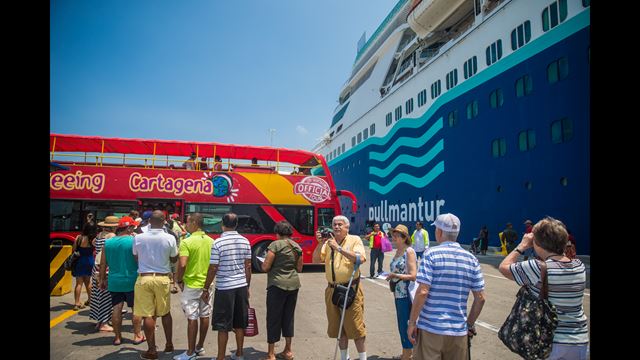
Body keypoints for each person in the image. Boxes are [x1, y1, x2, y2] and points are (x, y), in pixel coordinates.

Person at [498, 217, 589, 359]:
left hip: (549, 341)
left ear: (538, 244)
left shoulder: (537, 268)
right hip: (578, 341)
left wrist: (522, 246)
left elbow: (504, 267)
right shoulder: (579, 267)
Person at [407, 213, 486, 360]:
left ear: (439, 232)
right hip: (458, 332)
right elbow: (480, 298)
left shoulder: (431, 255)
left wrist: (412, 322)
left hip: (431, 330)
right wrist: (469, 324)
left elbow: (423, 291)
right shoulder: (471, 259)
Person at [202, 213, 252, 360]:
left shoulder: (218, 243)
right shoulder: (245, 241)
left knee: (222, 325)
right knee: (240, 322)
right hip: (241, 286)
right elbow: (248, 266)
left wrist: (205, 288)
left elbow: (213, 268)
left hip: (224, 287)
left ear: (222, 225)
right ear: (236, 225)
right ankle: (240, 353)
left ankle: (220, 357)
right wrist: (247, 286)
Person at [317, 215, 368, 360]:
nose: (337, 227)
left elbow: (360, 259)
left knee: (356, 327)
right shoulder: (328, 243)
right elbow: (316, 259)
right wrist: (319, 243)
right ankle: (344, 357)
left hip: (350, 290)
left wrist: (339, 249)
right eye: (334, 225)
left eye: (340, 224)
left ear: (347, 227)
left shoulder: (355, 240)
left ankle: (362, 358)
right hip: (332, 289)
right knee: (338, 328)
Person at [133, 211, 179, 359]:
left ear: (149, 221)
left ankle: (152, 350)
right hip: (162, 278)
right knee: (165, 312)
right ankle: (169, 344)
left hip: (144, 278)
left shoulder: (138, 237)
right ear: (164, 221)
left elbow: (136, 257)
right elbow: (174, 259)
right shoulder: (170, 238)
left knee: (148, 314)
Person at [173, 213, 215, 360]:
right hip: (207, 285)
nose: (185, 225)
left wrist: (178, 280)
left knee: (192, 317)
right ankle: (199, 346)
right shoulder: (211, 241)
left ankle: (190, 352)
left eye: (188, 222)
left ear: (195, 223)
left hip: (191, 284)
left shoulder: (187, 242)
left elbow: (183, 264)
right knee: (204, 315)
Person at [98, 216, 145, 346]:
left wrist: (102, 279)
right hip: (132, 280)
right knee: (136, 309)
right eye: (132, 227)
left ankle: (117, 337)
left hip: (114, 280)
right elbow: (139, 260)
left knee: (116, 308)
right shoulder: (134, 241)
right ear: (129, 228)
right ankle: (137, 335)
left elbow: (103, 264)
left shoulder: (107, 243)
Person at [261, 221, 303, 360]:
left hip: (277, 285)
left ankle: (271, 354)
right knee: (288, 317)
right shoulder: (296, 246)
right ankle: (288, 351)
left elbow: (266, 267)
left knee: (273, 318)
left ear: (277, 233)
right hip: (294, 285)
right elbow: (299, 268)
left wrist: (265, 263)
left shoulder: (275, 245)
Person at [386, 224, 417, 360]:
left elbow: (413, 275)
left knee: (405, 324)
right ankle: (407, 353)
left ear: (404, 238)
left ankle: (408, 355)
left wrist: (395, 276)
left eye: (397, 235)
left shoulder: (408, 252)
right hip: (398, 294)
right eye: (393, 235)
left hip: (406, 295)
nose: (394, 237)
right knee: (401, 324)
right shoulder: (398, 251)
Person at [89, 216, 118, 332]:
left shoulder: (99, 235)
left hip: (96, 266)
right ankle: (104, 322)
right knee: (106, 296)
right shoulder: (111, 236)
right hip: (105, 266)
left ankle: (99, 321)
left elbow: (94, 245)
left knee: (98, 295)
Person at [72, 222, 97, 311]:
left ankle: (77, 303)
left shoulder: (79, 238)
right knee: (88, 282)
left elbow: (74, 249)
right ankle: (90, 300)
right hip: (90, 261)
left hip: (80, 260)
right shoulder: (93, 239)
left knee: (79, 283)